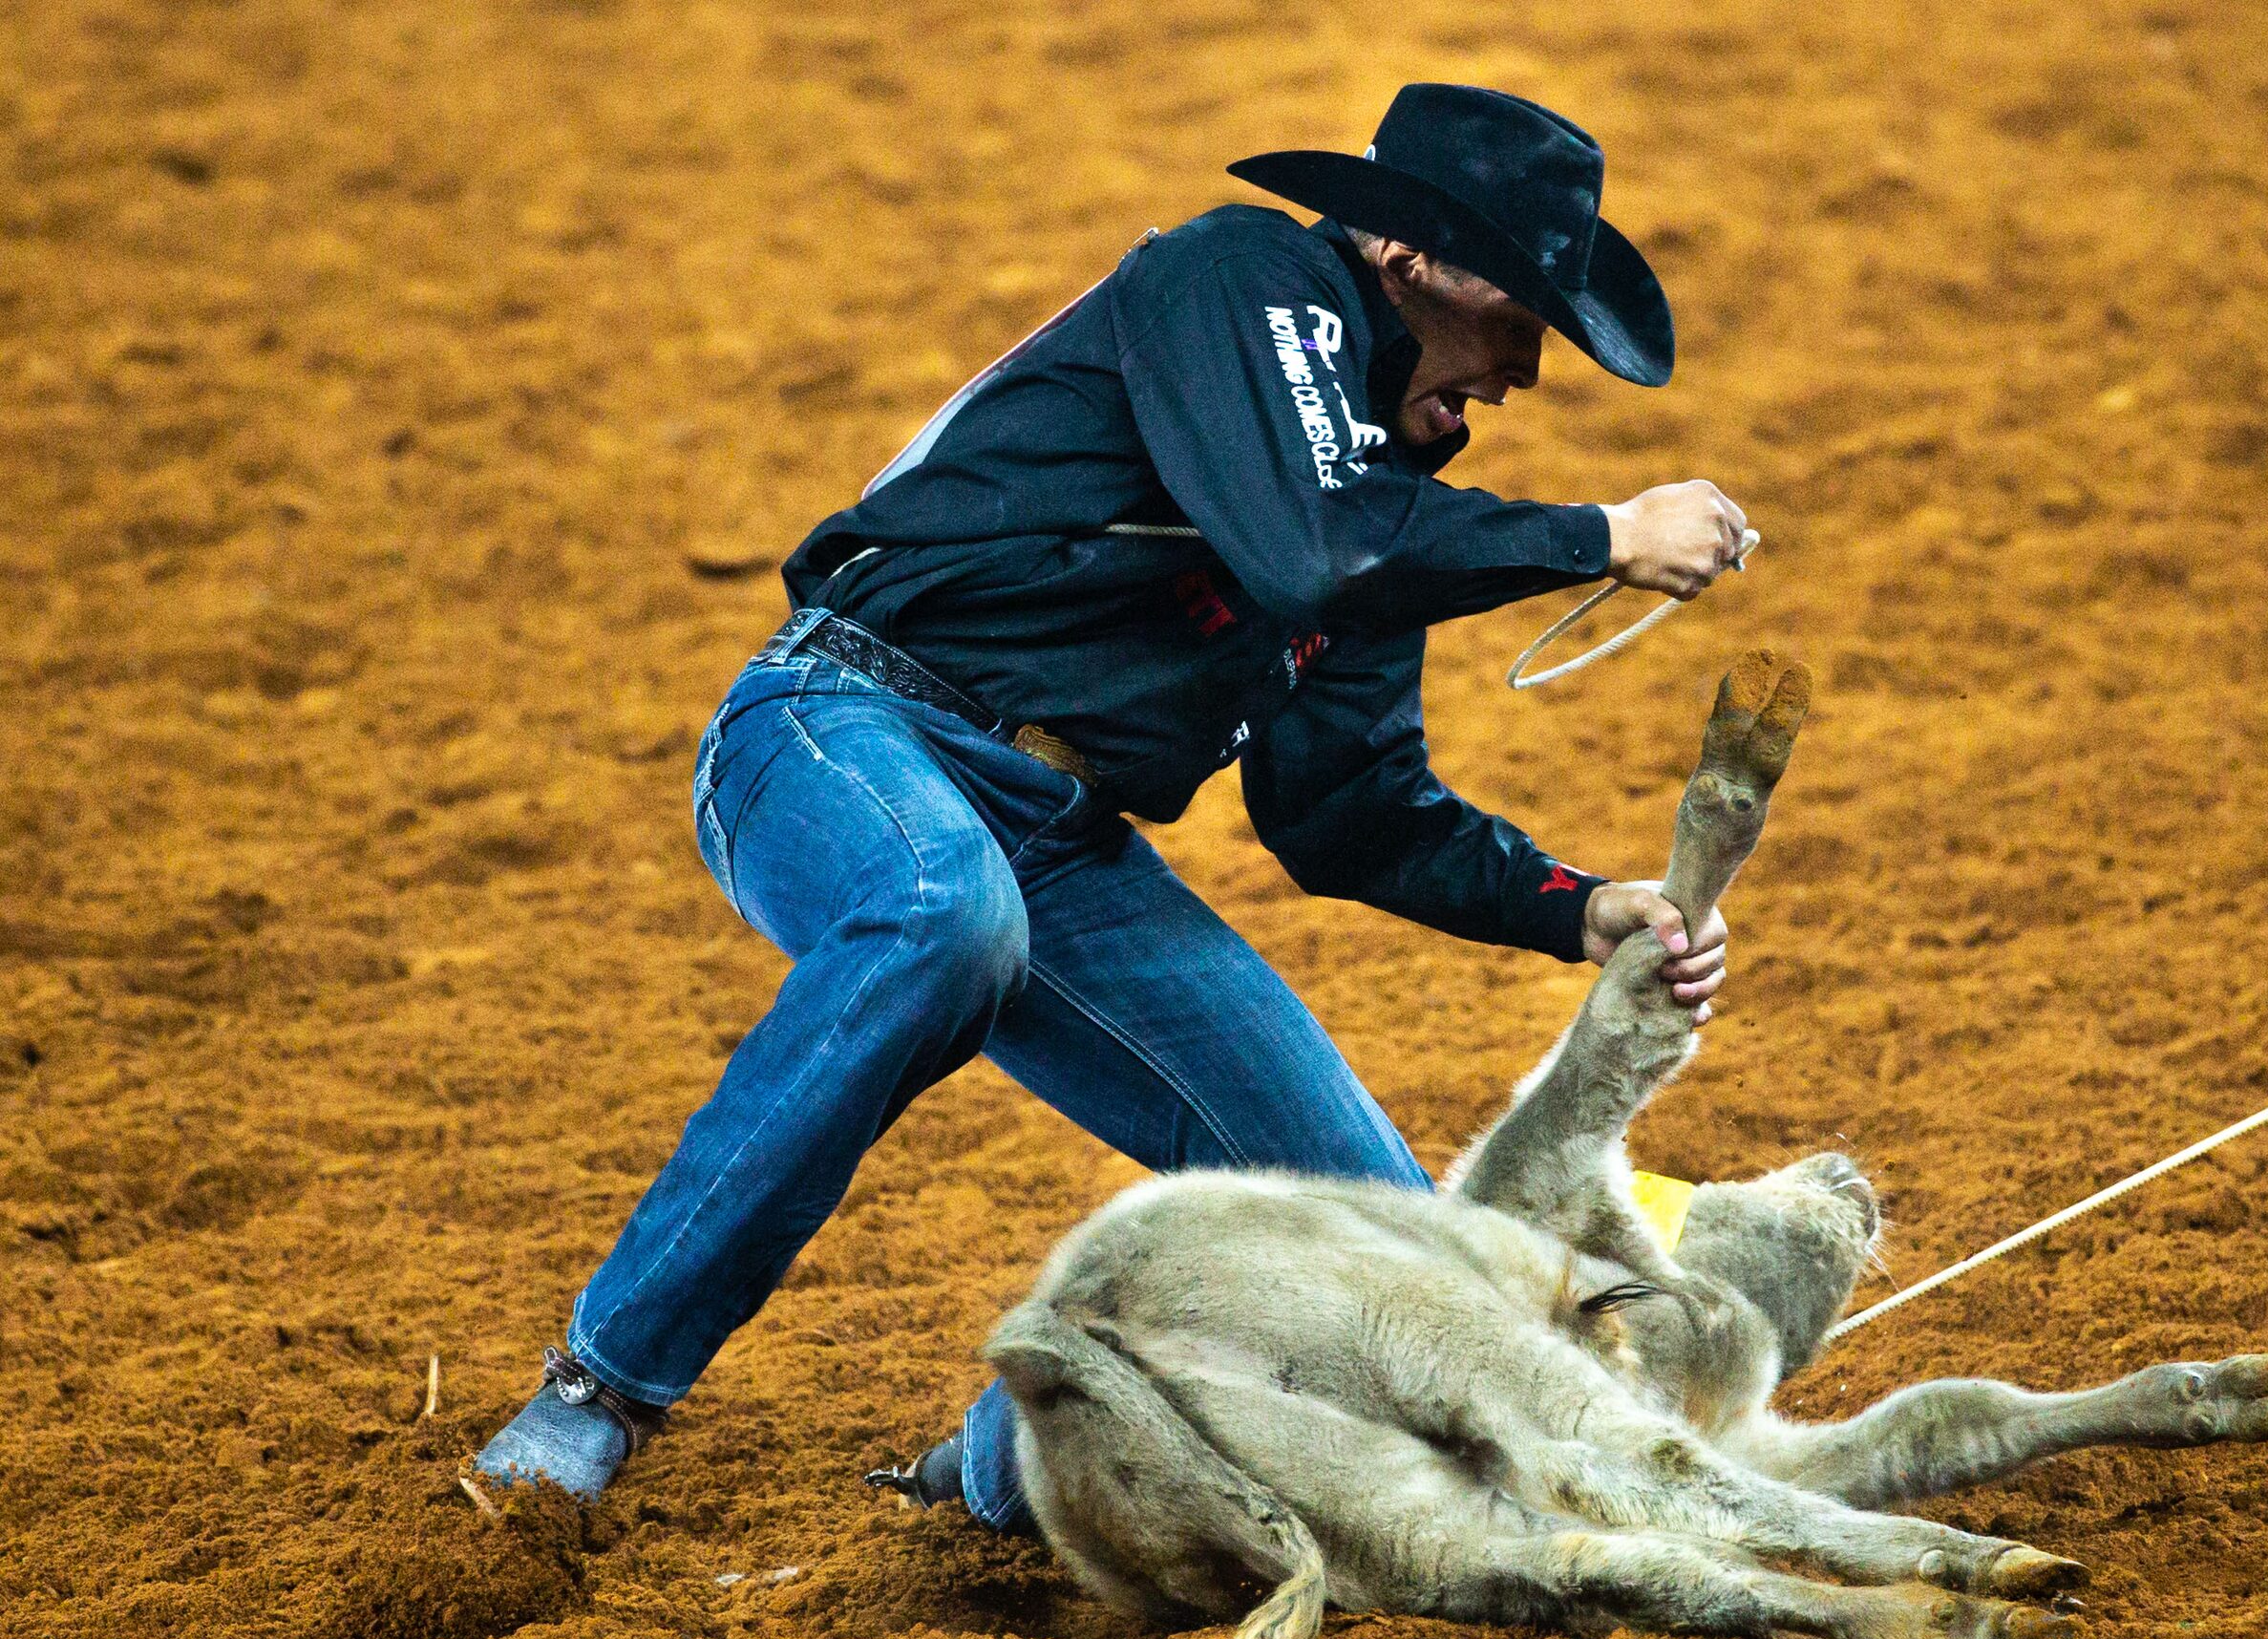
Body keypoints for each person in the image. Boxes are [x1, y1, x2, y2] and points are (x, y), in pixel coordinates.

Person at [476, 82, 1754, 1527]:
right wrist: (1596, 533)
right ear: (1415, 259)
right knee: (940, 915)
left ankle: (990, 1480)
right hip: (845, 718)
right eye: (1526, 314)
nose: (1527, 368)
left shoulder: (1389, 493)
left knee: (1392, 1253)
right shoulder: (1237, 276)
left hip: (1062, 849)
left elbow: (1344, 807)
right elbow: (1311, 553)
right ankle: (598, 1388)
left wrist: (1574, 903)